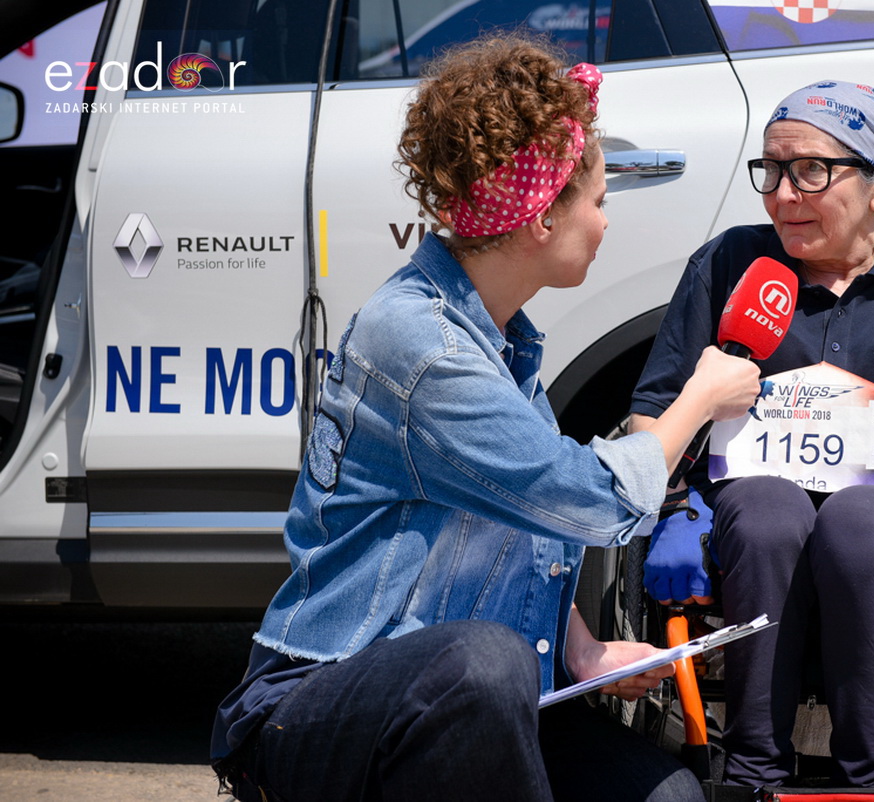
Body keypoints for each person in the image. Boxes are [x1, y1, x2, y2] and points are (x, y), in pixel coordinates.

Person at [209, 33, 762, 802]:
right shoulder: (424, 347)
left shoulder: (499, 341)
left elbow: (529, 522)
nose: (606, 225)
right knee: (487, 662)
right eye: (598, 203)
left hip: (468, 701)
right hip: (319, 699)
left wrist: (583, 653)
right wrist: (697, 399)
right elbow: (590, 500)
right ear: (542, 220)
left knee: (665, 794)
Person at [628, 80, 874, 789]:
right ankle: (751, 773)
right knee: (765, 508)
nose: (783, 194)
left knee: (857, 519)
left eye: (811, 170)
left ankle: (867, 779)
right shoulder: (729, 263)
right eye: (772, 171)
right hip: (752, 501)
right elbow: (654, 413)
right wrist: (675, 509)